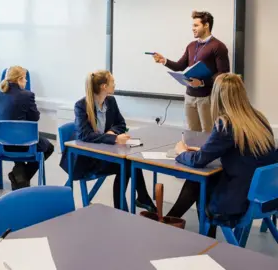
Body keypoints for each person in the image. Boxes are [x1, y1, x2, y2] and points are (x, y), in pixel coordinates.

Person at [168, 73, 278, 237]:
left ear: (217, 97)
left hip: (240, 201)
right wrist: (205, 151)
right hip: (266, 198)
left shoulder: (226, 124)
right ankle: (169, 222)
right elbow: (241, 153)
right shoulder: (258, 119)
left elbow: (198, 161)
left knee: (199, 182)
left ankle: (168, 223)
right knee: (197, 183)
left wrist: (181, 152)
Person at [59, 70, 156, 212]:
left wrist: (112, 132)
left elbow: (121, 124)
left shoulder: (111, 101)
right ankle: (130, 204)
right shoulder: (81, 106)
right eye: (112, 82)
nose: (115, 84)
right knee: (127, 166)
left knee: (131, 162)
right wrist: (114, 138)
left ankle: (133, 203)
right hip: (86, 160)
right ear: (104, 86)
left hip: (105, 153)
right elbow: (85, 135)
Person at [153, 11, 230, 133]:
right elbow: (180, 66)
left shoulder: (218, 46)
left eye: (196, 25)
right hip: (189, 96)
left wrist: (202, 82)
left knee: (208, 133)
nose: (193, 29)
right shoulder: (191, 46)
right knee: (192, 133)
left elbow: (223, 74)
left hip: (207, 97)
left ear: (206, 25)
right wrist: (164, 61)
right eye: (192, 26)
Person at [0, 66, 54, 190]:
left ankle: (19, 175)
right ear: (19, 79)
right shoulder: (27, 95)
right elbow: (35, 117)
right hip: (24, 144)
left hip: (2, 144)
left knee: (18, 142)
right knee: (49, 147)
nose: (26, 81)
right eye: (25, 78)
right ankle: (21, 176)